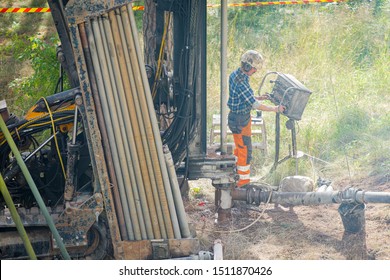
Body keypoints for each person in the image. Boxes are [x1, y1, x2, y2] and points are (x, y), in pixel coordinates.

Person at [227, 50, 285, 187]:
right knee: (245, 153)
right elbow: (255, 105)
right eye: (254, 68)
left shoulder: (237, 74)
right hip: (239, 120)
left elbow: (246, 97)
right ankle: (242, 185)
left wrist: (260, 97)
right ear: (247, 66)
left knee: (240, 149)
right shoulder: (241, 81)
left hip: (240, 119)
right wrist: (275, 109)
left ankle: (235, 179)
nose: (255, 71)